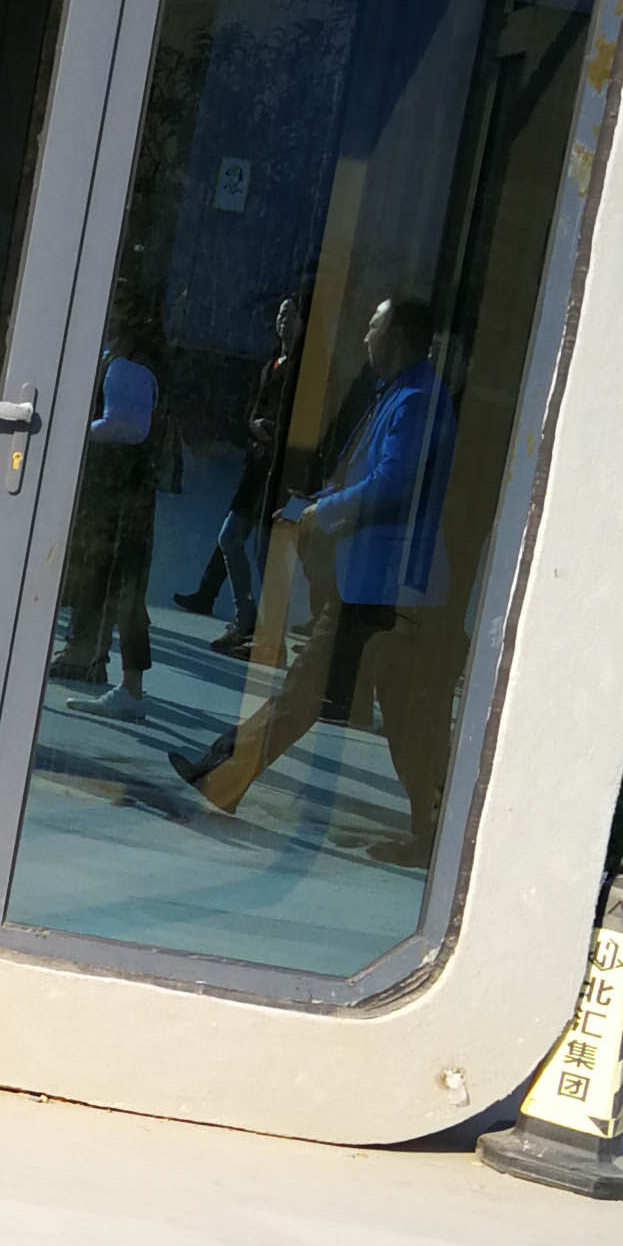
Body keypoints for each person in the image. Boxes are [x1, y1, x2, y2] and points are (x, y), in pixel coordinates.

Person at [177, 295, 457, 863]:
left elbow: (393, 485)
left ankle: (221, 777)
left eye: (373, 328)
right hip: (380, 585)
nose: (365, 338)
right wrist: (321, 500)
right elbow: (374, 475)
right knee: (403, 719)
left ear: (399, 338)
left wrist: (325, 512)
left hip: (382, 587)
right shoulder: (403, 393)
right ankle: (440, 833)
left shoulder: (416, 401)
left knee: (309, 692)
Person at [47, 321, 170, 713]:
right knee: (112, 581)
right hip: (126, 489)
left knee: (120, 584)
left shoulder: (125, 365)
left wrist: (73, 434)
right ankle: (99, 664)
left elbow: (125, 427)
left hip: (119, 490)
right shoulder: (132, 361)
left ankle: (124, 682)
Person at [179, 293, 302, 657]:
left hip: (277, 470)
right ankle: (246, 616)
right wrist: (254, 427)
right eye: (280, 314)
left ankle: (267, 632)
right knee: (231, 537)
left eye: (291, 315)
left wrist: (273, 432)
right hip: (257, 467)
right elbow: (252, 410)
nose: (283, 321)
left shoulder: (301, 371)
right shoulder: (271, 365)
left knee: (265, 550)